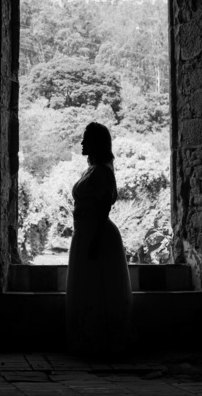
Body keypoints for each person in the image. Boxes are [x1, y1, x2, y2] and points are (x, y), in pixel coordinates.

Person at [65, 121, 132, 356]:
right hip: (85, 233)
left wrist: (94, 241)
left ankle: (99, 341)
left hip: (97, 234)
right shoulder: (93, 169)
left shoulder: (102, 170)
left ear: (96, 142)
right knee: (88, 285)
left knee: (95, 286)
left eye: (86, 138)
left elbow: (104, 208)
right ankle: (88, 339)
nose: (82, 142)